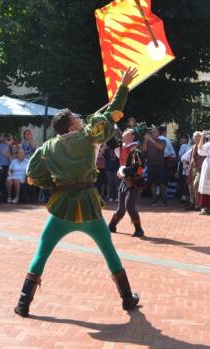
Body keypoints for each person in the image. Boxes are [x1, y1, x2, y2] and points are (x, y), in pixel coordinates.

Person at [14, 67, 140, 318]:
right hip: (88, 204)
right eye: (75, 117)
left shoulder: (48, 146)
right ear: (70, 123)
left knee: (42, 252)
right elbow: (110, 117)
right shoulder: (87, 137)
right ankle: (127, 299)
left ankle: (24, 302)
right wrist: (124, 86)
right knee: (109, 251)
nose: (79, 119)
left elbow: (33, 173)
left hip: (62, 203)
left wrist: (52, 185)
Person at [108, 128, 145, 237]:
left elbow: (137, 168)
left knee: (129, 206)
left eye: (127, 132)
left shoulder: (136, 149)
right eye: (123, 131)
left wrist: (123, 170)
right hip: (125, 180)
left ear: (132, 136)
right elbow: (110, 142)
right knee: (120, 209)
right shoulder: (122, 146)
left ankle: (139, 230)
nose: (124, 133)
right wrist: (108, 127)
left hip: (135, 181)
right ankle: (111, 226)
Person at [143, 128, 166, 205]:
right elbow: (144, 149)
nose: (153, 133)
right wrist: (146, 140)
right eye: (152, 132)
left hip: (160, 165)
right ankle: (154, 199)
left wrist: (152, 140)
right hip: (150, 165)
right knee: (153, 183)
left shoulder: (162, 140)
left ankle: (163, 198)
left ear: (158, 133)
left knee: (162, 183)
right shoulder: (148, 141)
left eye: (154, 132)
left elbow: (161, 147)